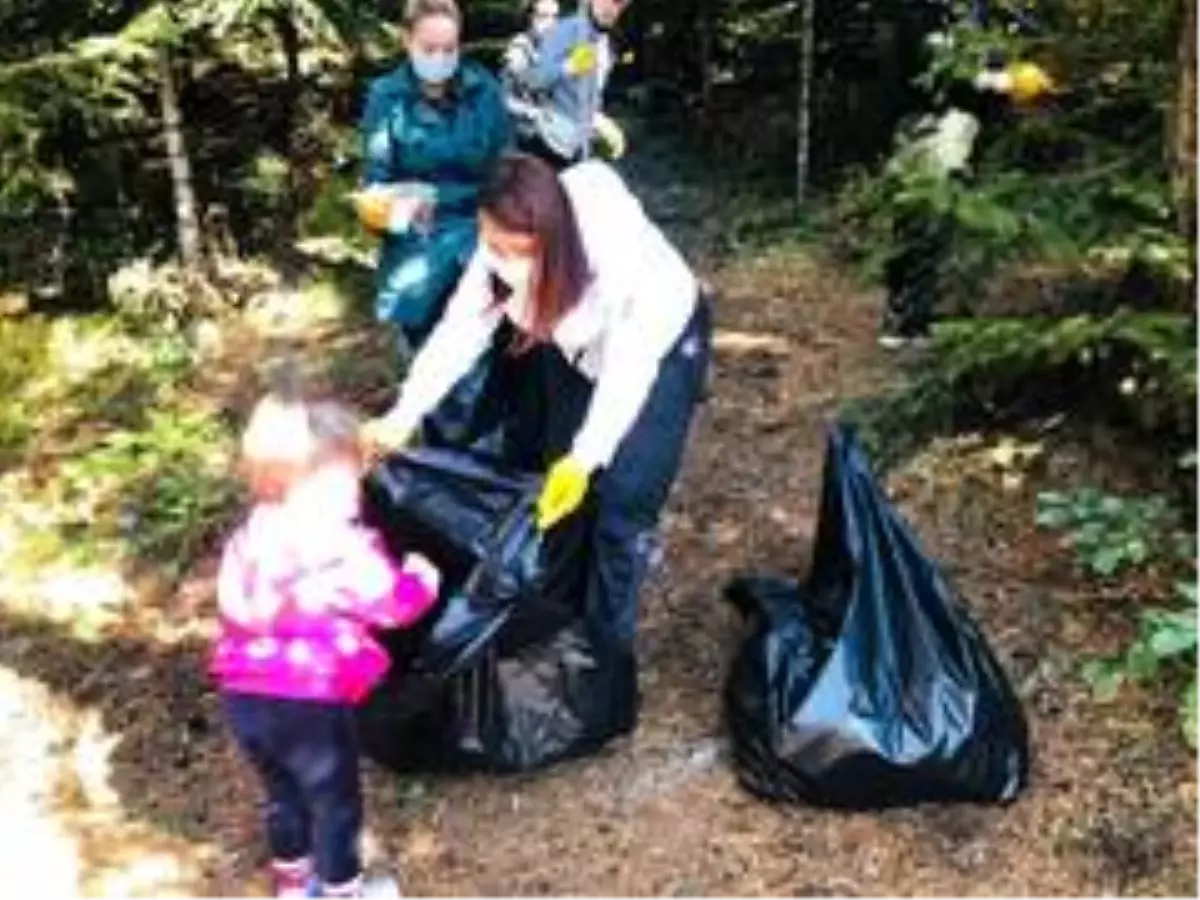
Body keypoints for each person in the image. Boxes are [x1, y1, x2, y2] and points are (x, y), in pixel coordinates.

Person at [363, 154, 711, 715]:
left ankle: (606, 664)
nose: (497, 261)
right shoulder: (502, 250)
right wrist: (404, 413)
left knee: (623, 505)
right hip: (575, 350)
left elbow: (629, 370)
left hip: (661, 350)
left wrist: (589, 455)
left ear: (552, 240)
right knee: (555, 483)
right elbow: (459, 332)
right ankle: (558, 617)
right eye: (489, 244)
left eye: (511, 251)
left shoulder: (619, 262)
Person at [210, 381, 441, 899]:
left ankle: (293, 886)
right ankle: (343, 891)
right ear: (317, 482)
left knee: (283, 795)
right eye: (348, 481)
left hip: (244, 698)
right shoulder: (338, 545)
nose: (357, 493)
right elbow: (392, 605)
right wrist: (422, 579)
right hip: (308, 705)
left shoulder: (253, 533)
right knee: (336, 805)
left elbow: (234, 607)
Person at [878, 2, 1054, 348]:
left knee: (930, 221)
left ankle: (911, 316)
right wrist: (1002, 81)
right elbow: (938, 66)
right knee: (927, 219)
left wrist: (1017, 72)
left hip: (956, 122)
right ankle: (909, 324)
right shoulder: (922, 11)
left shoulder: (977, 10)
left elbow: (994, 53)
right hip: (930, 122)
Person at [355, 0, 512, 351]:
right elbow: (374, 184)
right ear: (406, 41)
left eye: (449, 48)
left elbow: (508, 165)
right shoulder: (386, 98)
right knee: (430, 364)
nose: (440, 58)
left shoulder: (483, 89)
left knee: (487, 362)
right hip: (418, 249)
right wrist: (397, 203)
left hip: (482, 238)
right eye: (429, 48)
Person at [504, 0, 631, 168]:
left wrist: (594, 118)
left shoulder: (590, 39)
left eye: (555, 17)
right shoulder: (519, 50)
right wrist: (569, 66)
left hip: (566, 137)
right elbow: (524, 89)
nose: (550, 23)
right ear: (529, 19)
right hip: (529, 137)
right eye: (542, 16)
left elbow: (583, 93)